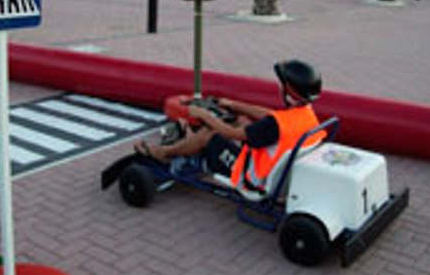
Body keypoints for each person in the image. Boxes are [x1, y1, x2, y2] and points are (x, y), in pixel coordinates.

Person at [135, 60, 326, 192]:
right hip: (277, 172)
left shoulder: (274, 125)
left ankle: (166, 152)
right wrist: (233, 105)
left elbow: (231, 133)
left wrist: (203, 114)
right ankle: (188, 142)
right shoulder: (306, 114)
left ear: (289, 91)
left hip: (254, 178)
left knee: (209, 134)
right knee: (241, 119)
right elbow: (270, 115)